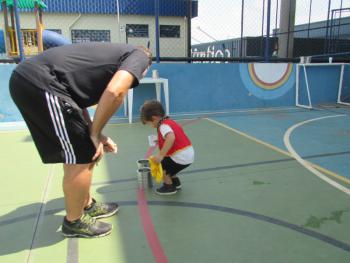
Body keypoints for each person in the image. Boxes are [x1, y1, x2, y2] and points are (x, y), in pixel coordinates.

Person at [9, 42, 152, 238]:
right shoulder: (140, 56)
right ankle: (74, 221)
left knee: (79, 150)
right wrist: (94, 133)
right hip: (40, 83)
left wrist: (96, 133)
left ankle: (86, 204)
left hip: (38, 83)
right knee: (82, 156)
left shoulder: (110, 59)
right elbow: (115, 92)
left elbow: (78, 104)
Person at [140, 100, 194, 195]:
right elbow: (173, 136)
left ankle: (169, 186)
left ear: (154, 118)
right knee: (170, 166)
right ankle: (176, 182)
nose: (150, 126)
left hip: (181, 156)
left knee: (161, 165)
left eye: (149, 123)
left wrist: (160, 155)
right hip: (187, 154)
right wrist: (160, 140)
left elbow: (171, 137)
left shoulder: (163, 126)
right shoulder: (169, 121)